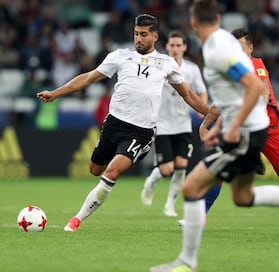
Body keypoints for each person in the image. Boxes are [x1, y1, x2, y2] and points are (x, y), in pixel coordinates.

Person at [150, 1, 279, 271]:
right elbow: (228, 98)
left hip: (255, 129)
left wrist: (233, 126)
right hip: (250, 127)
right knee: (242, 196)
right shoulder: (218, 49)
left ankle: (186, 261)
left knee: (196, 185)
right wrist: (211, 123)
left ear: (192, 24)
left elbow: (255, 89)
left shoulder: (221, 54)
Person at [36, 14, 209, 232]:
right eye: (136, 34)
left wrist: (212, 113)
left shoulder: (167, 63)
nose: (139, 38)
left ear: (155, 37)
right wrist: (56, 93)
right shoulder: (120, 56)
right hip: (114, 123)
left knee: (112, 172)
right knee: (95, 169)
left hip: (142, 131)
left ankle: (76, 220)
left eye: (144, 35)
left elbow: (189, 96)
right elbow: (88, 78)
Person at [178, 27, 279, 227]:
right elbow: (222, 101)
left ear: (251, 48)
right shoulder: (230, 70)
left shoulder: (256, 65)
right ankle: (200, 215)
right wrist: (206, 124)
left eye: (241, 47)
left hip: (270, 129)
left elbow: (262, 89)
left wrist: (257, 109)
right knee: (218, 167)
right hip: (242, 129)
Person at [140, 31, 208, 217]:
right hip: (162, 125)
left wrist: (201, 108)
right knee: (167, 169)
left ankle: (169, 205)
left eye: (179, 45)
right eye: (172, 45)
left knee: (180, 168)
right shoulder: (159, 66)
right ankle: (151, 182)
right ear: (167, 47)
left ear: (185, 47)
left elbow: (202, 91)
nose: (176, 49)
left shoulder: (192, 69)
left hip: (183, 125)